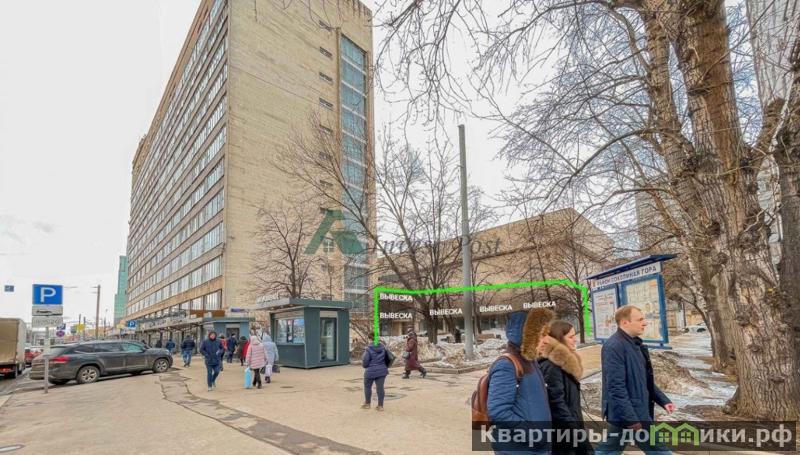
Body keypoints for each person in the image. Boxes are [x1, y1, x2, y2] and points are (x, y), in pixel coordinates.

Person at [596, 305, 675, 455]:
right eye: (640, 320)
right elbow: (616, 388)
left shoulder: (634, 344)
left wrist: (663, 400)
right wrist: (631, 419)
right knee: (660, 451)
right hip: (633, 414)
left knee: (609, 450)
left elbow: (644, 380)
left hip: (631, 411)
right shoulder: (614, 346)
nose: (645, 323)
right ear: (624, 322)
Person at [487, 309, 553, 454]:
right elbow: (498, 411)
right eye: (542, 335)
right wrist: (533, 436)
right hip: (519, 449)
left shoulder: (530, 361)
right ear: (525, 336)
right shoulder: (507, 365)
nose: (547, 340)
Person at [538, 320, 590, 455]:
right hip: (563, 437)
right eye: (571, 337)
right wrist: (576, 435)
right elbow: (557, 405)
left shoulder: (563, 364)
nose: (575, 340)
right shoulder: (552, 366)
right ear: (559, 339)